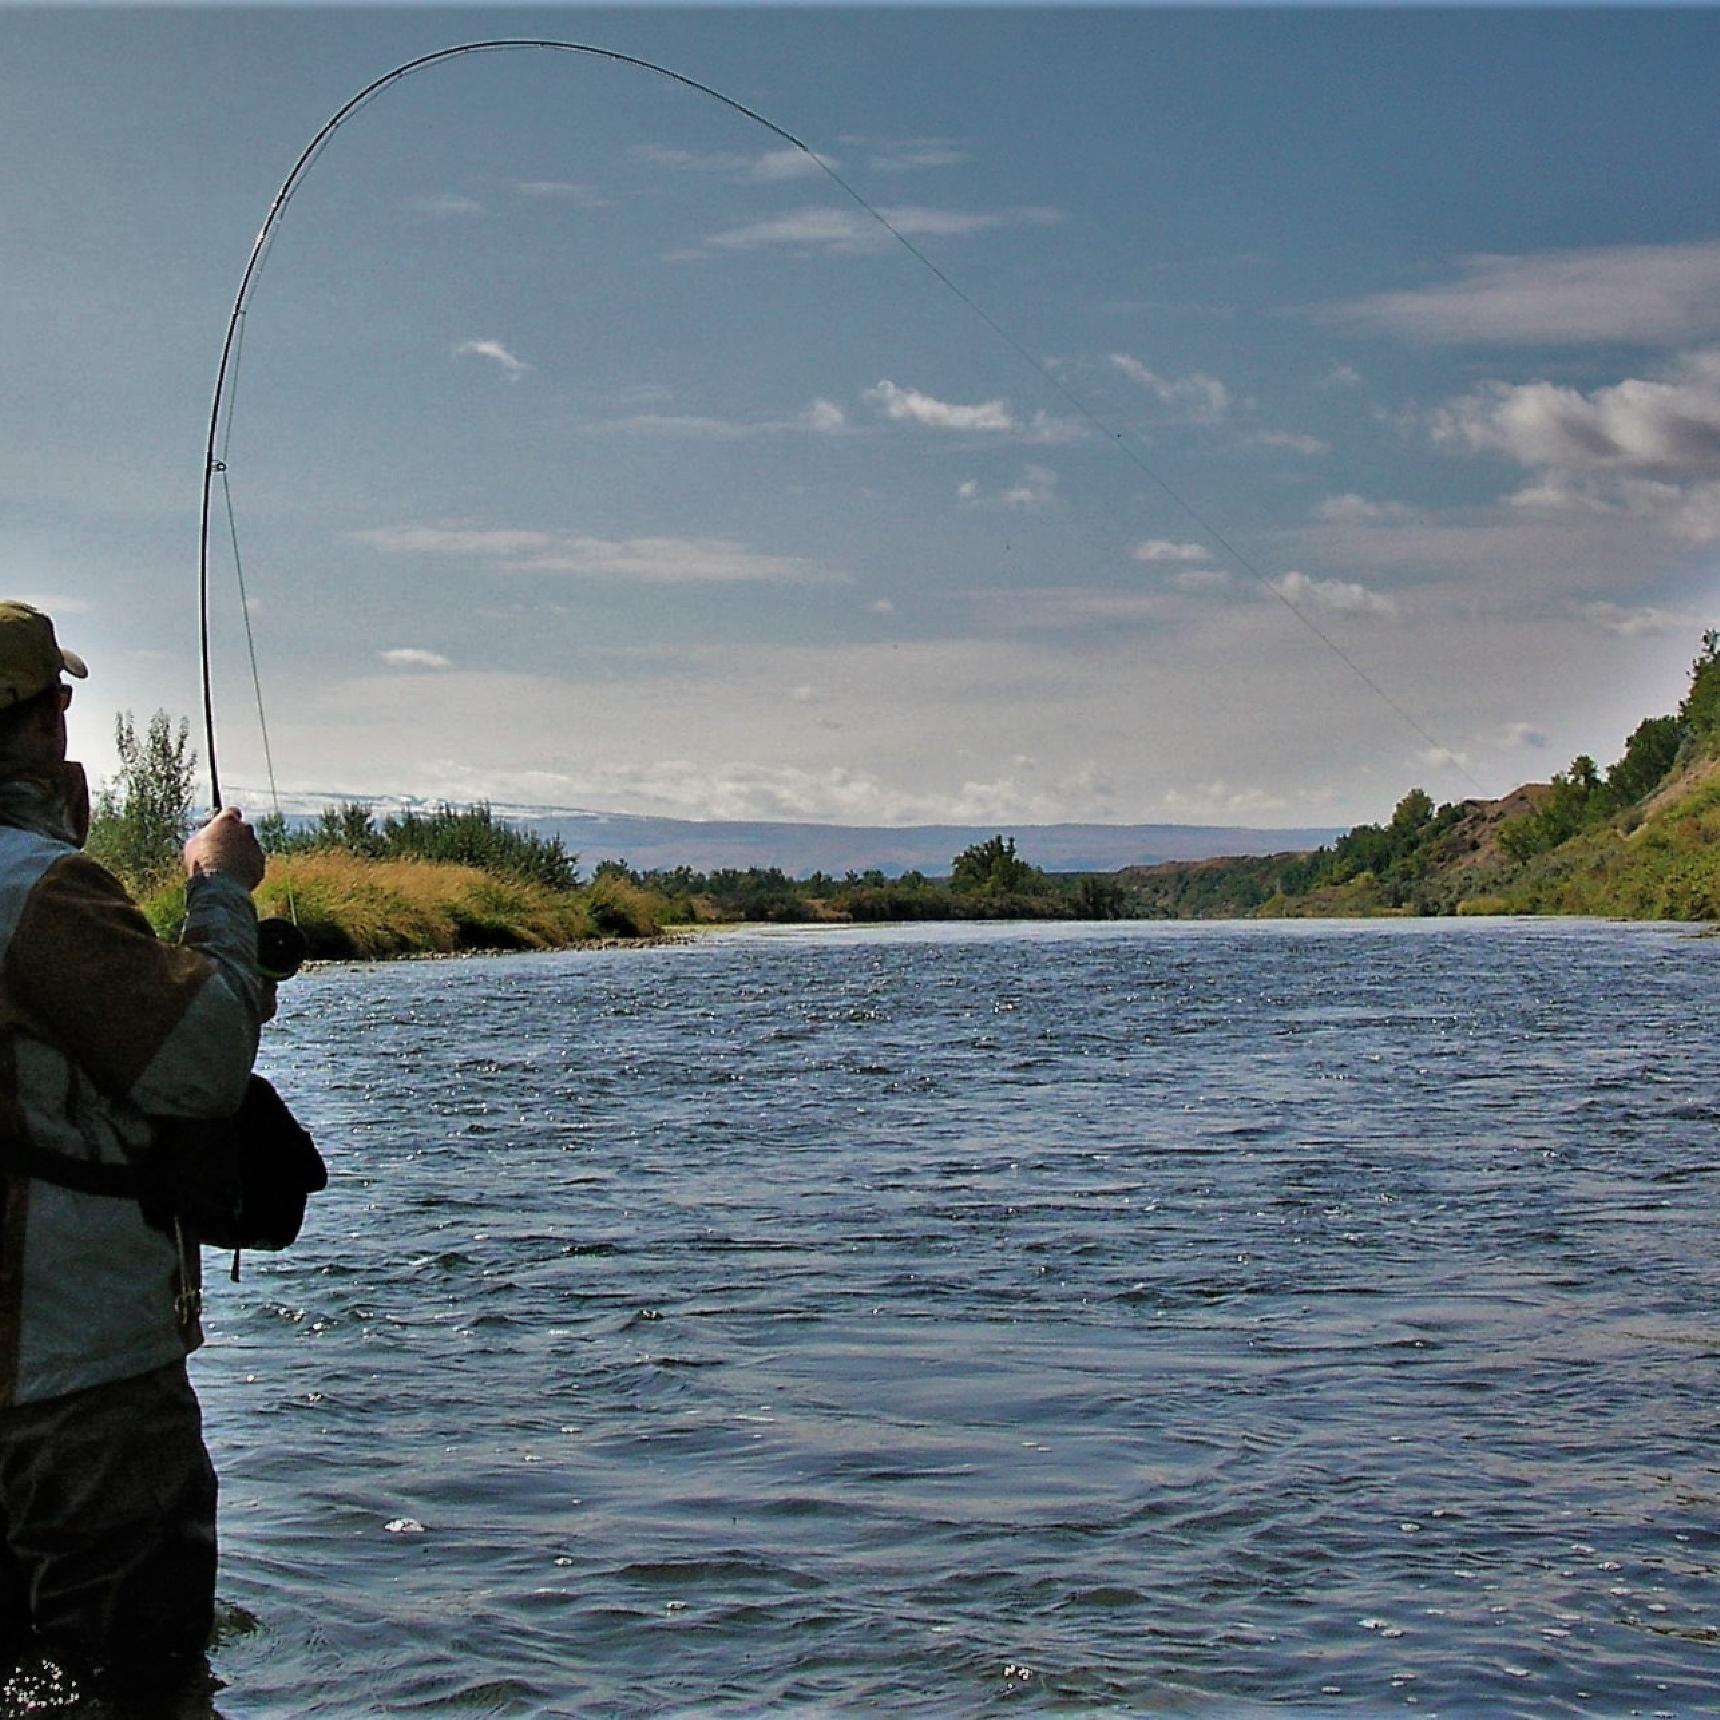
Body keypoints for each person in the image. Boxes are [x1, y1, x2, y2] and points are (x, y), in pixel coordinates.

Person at [0, 600, 272, 1705]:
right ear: (34, 723)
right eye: (61, 704)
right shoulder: (35, 887)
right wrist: (218, 896)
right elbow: (201, 1059)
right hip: (78, 1385)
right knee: (142, 1683)